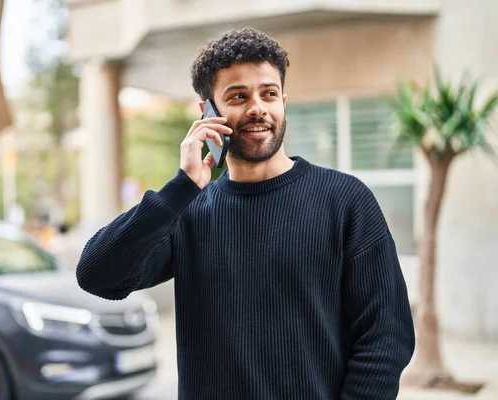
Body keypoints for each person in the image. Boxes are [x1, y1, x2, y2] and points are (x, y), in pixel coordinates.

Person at [76, 27, 415, 399]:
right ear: (208, 113)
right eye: (238, 96)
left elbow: (386, 337)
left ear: (283, 101)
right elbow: (97, 274)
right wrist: (180, 188)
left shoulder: (345, 200)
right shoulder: (188, 212)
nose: (258, 107)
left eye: (269, 94)